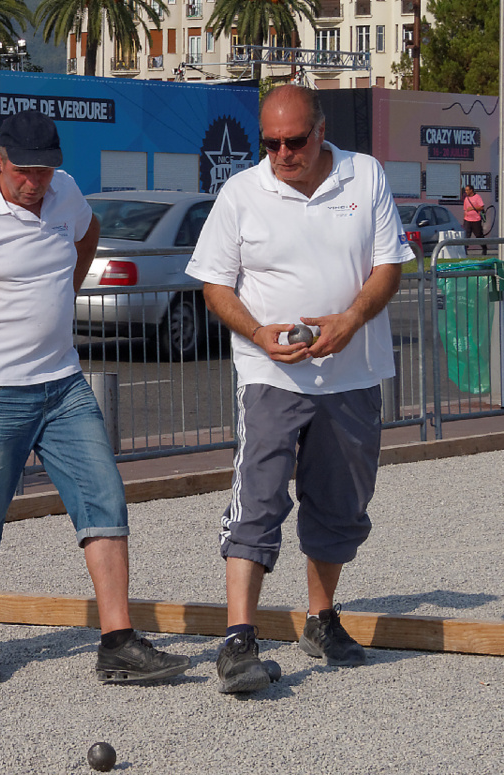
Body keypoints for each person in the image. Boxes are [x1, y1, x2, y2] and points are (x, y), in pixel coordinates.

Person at [0, 110, 191, 685]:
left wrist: (67, 286)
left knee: (105, 497)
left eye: (44, 170)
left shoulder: (64, 192)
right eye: (24, 170)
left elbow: (87, 231)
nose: (35, 182)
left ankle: (117, 639)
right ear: (0, 157)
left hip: (62, 381)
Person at [186, 85, 414, 694]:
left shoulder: (365, 177)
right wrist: (260, 333)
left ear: (320, 132)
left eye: (293, 141)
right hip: (270, 375)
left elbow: (389, 266)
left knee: (340, 505)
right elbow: (214, 285)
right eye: (269, 143)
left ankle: (320, 617)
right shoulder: (241, 193)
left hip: (354, 372)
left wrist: (351, 320)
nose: (281, 154)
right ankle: (238, 638)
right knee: (256, 499)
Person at [462, 184, 486, 255]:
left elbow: (481, 207)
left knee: (479, 235)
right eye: (465, 190)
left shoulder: (477, 197)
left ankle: (484, 248)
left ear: (471, 190)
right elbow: (465, 210)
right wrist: (465, 218)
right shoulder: (466, 199)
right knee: (466, 235)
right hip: (467, 220)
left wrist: (472, 208)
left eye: (467, 190)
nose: (466, 191)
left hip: (476, 220)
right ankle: (465, 250)